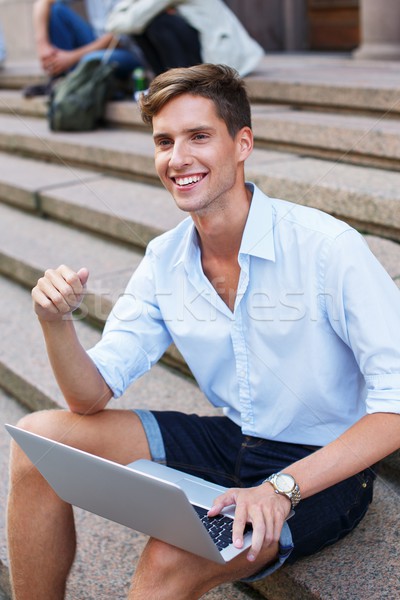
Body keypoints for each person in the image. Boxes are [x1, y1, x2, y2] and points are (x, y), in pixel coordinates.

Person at [7, 63, 400, 599]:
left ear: (242, 144)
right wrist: (56, 324)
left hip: (323, 465)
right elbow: (89, 395)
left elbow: (395, 406)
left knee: (173, 555)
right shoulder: (164, 258)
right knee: (39, 443)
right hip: (233, 438)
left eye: (198, 136)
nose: (178, 158)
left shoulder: (327, 247)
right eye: (164, 141)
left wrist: (282, 488)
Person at [107, 0, 264, 76]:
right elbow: (113, 23)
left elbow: (130, 21)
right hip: (199, 48)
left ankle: (179, 79)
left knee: (158, 23)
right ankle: (166, 80)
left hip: (221, 54)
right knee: (144, 24)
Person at [24, 0, 144, 97]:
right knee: (56, 10)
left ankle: (77, 81)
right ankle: (60, 80)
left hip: (127, 51)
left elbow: (118, 38)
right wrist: (43, 46)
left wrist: (72, 57)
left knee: (91, 59)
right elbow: (42, 2)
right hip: (95, 41)